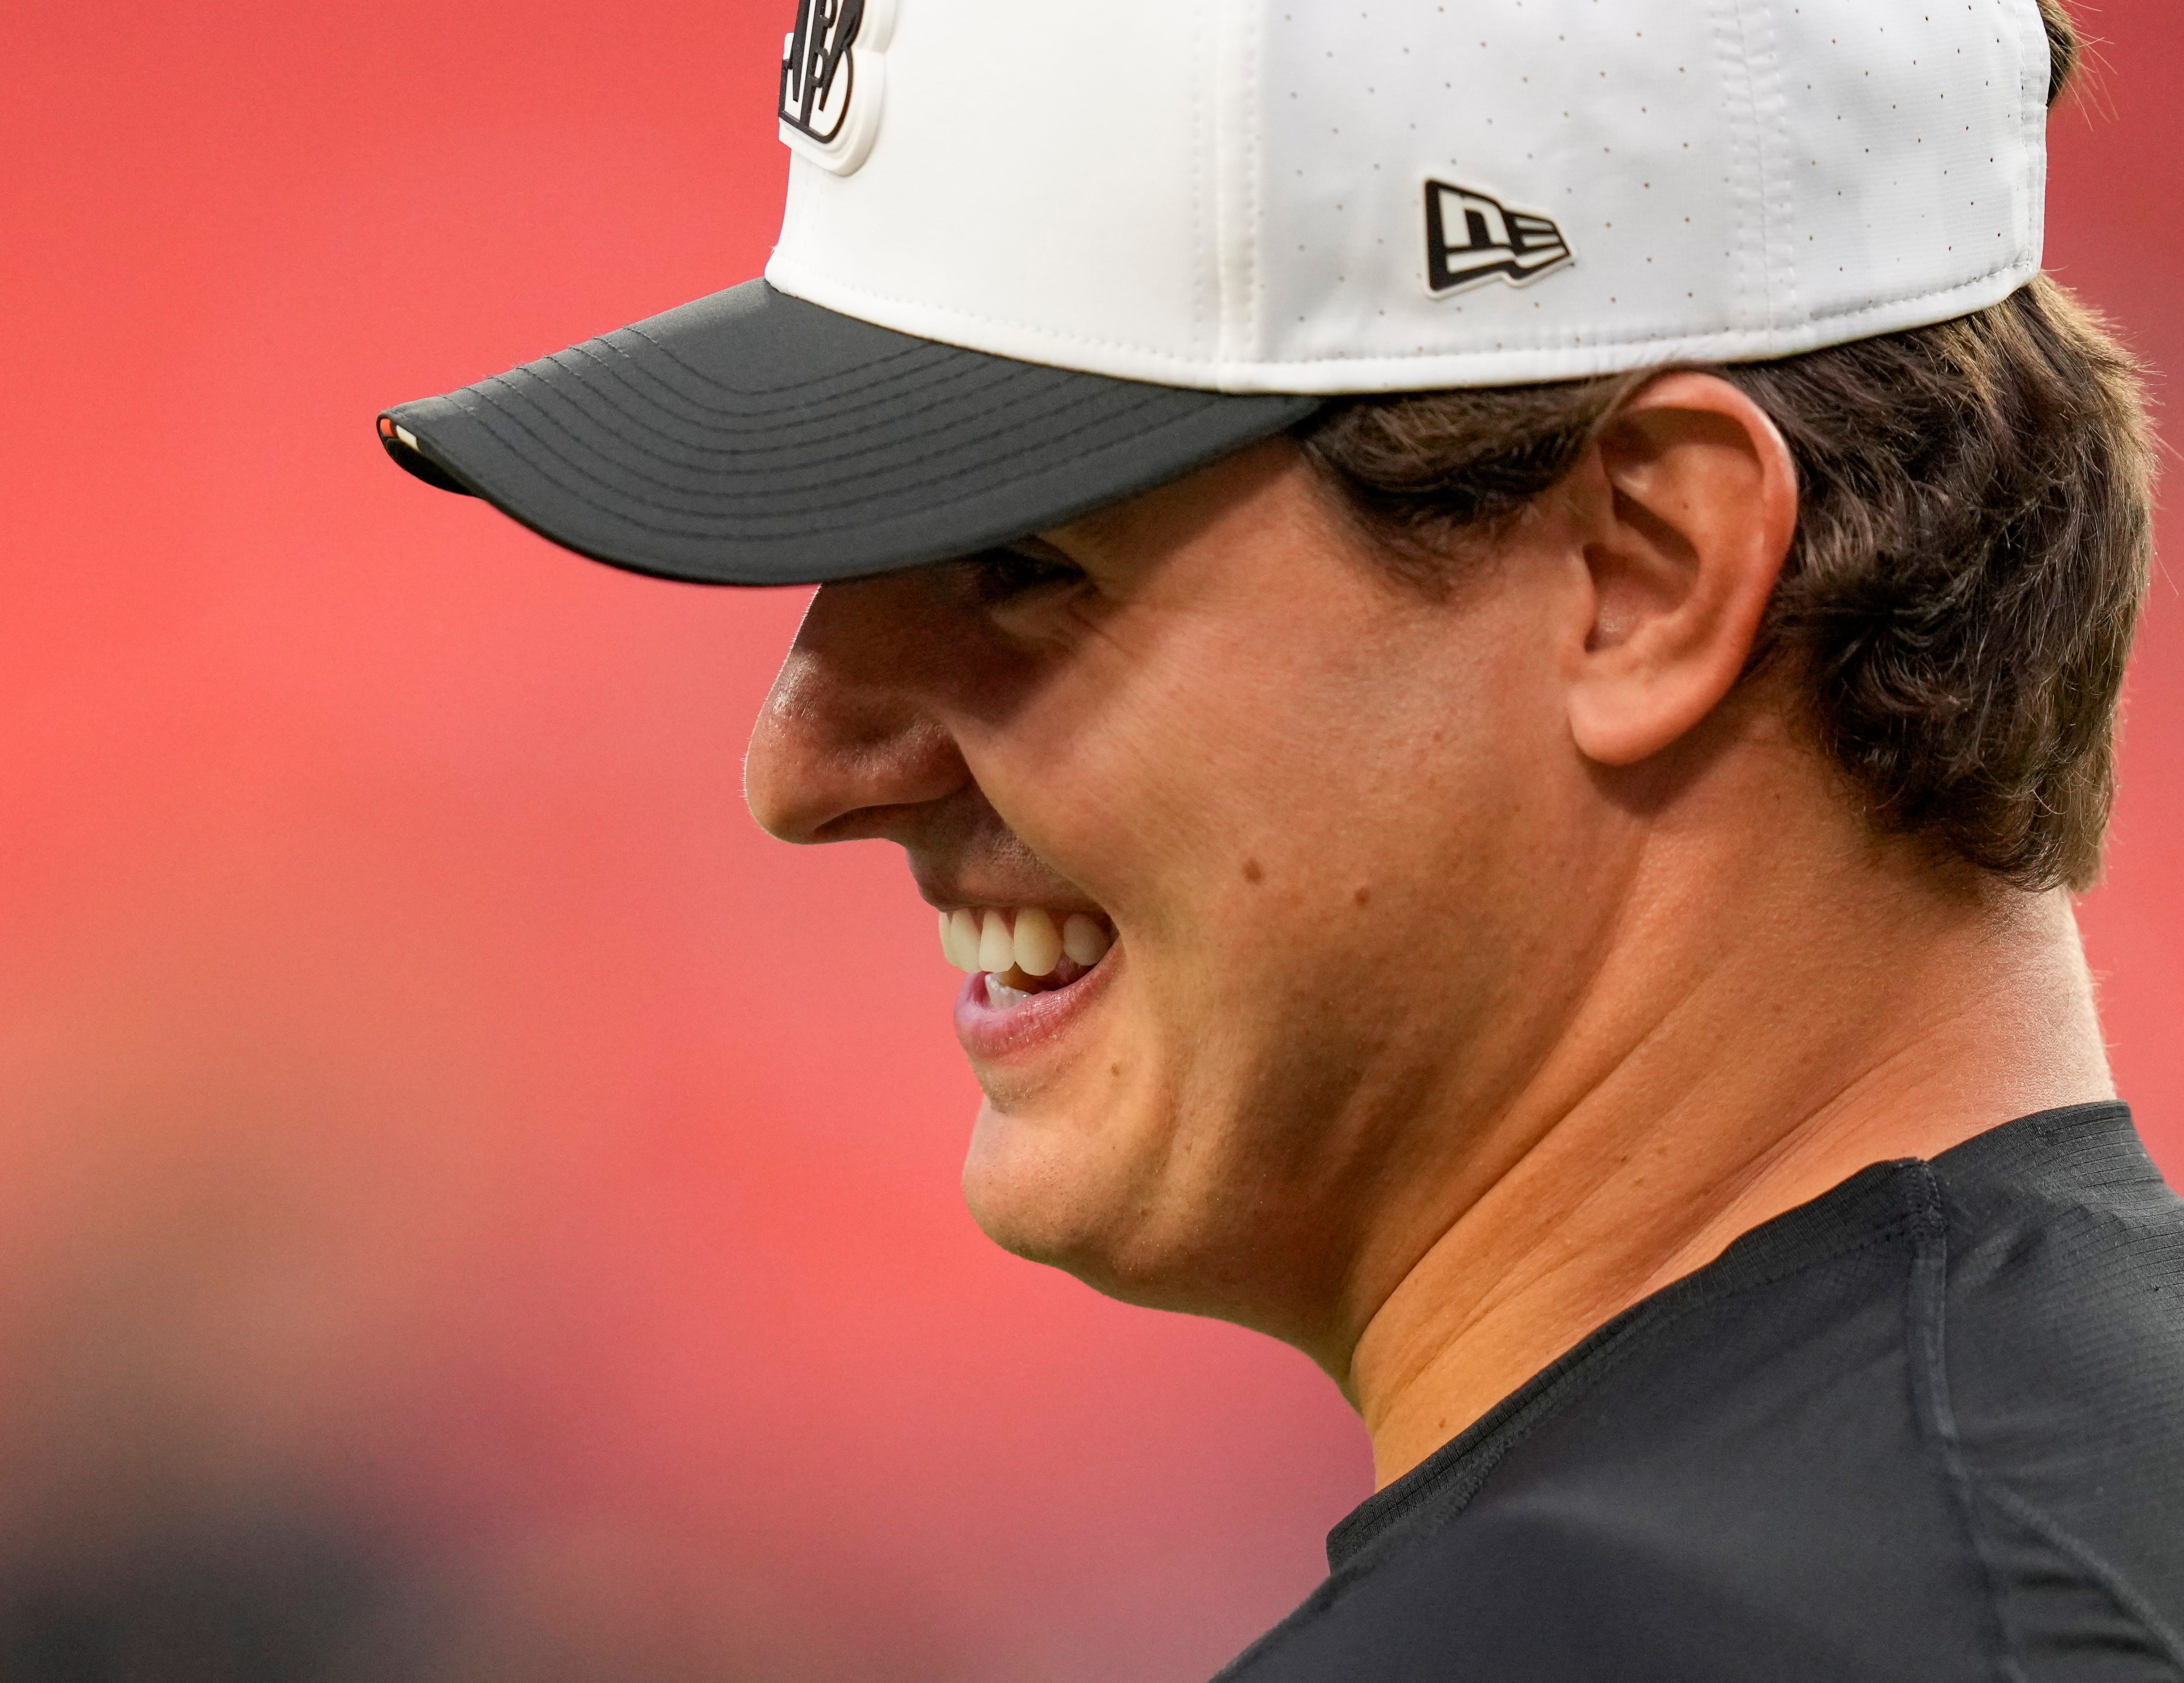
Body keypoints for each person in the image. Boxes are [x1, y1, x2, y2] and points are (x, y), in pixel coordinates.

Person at [376, 0, 2181, 1674]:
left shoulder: (1649, 1629)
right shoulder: (2021, 1496)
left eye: (1018, 565)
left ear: (1645, 573)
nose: (805, 761)